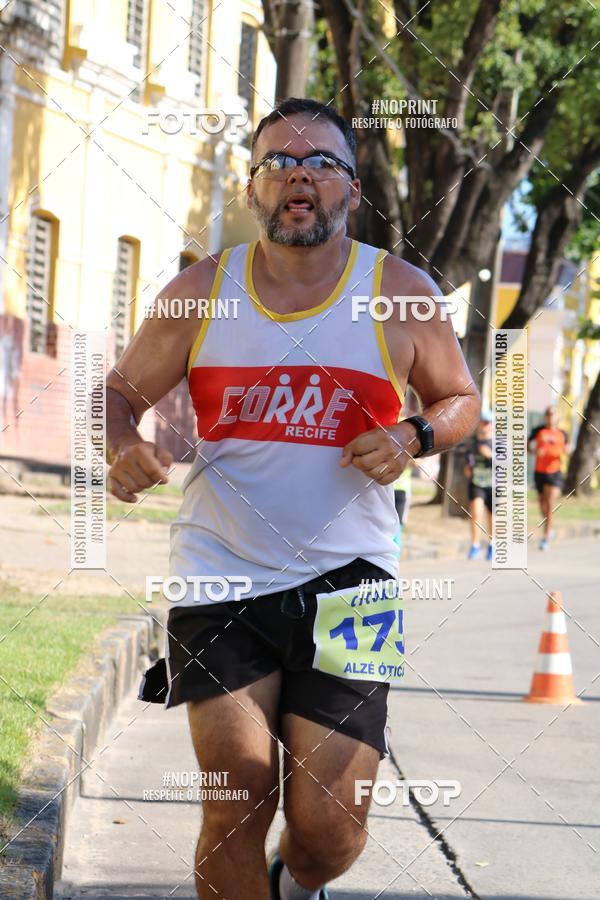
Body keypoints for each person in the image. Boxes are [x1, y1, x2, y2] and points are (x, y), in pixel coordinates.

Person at [106, 97, 481, 900]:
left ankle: (297, 883)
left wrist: (414, 435)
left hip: (353, 581)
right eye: (278, 161)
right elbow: (115, 394)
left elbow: (461, 400)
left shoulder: (401, 292)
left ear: (352, 189)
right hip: (221, 573)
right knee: (237, 793)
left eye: (321, 163)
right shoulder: (203, 291)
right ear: (253, 190)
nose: (298, 175)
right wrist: (121, 447)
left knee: (330, 828)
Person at [528, 406, 571, 551]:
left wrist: (567, 450)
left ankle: (545, 538)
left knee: (550, 503)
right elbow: (527, 446)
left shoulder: (563, 433)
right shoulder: (538, 431)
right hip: (539, 472)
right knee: (542, 505)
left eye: (553, 414)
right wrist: (534, 451)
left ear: (557, 417)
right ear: (545, 417)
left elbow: (569, 448)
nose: (550, 417)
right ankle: (549, 527)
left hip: (555, 473)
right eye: (548, 414)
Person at [464, 415, 493, 560]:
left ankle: (492, 545)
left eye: (487, 423)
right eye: (481, 422)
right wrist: (468, 469)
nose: (484, 425)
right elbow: (468, 462)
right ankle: (475, 545)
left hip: (494, 485)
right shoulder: (472, 444)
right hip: (477, 484)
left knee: (492, 518)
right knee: (476, 512)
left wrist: (490, 456)